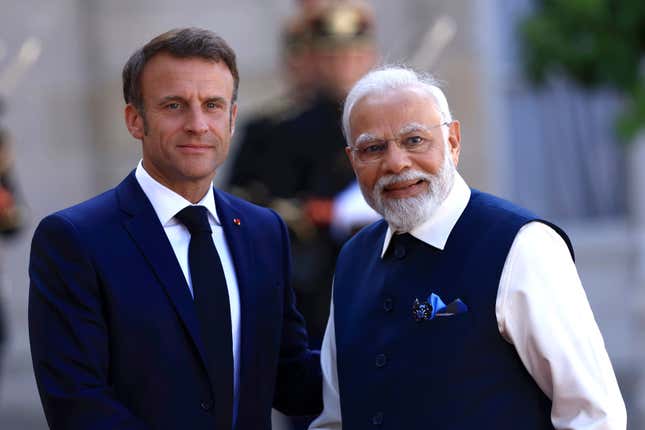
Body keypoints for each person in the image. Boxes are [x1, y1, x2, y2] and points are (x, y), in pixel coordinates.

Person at [28, 28, 321, 430]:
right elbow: (77, 403)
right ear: (135, 120)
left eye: (213, 105)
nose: (198, 124)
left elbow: (289, 377)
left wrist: (391, 347)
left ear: (232, 119)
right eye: (174, 105)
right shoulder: (75, 240)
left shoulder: (263, 231)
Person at [309, 66, 627, 429]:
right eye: (374, 148)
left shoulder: (522, 245)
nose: (396, 163)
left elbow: (592, 414)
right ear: (353, 160)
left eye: (414, 140)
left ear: (453, 142)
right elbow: (335, 418)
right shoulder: (352, 259)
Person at [229, 0, 378, 350]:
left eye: (354, 55)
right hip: (315, 280)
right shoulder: (287, 129)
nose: (345, 65)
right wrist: (320, 212)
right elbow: (250, 203)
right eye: (333, 56)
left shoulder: (384, 118)